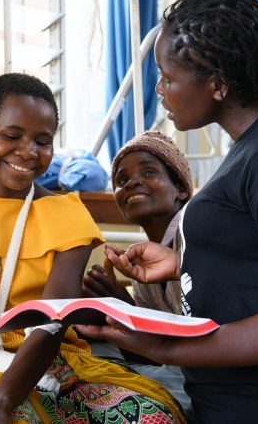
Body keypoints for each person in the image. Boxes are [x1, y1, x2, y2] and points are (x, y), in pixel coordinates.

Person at [76, 0, 258, 423]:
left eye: (168, 77)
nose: (159, 89)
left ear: (217, 83)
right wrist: (183, 262)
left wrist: (169, 346)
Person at [0, 73, 185, 424]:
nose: (28, 152)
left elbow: (50, 324)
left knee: (154, 418)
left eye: (43, 141)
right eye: (12, 135)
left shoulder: (67, 215)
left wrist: (3, 400)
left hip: (54, 361)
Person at [82, 130, 194, 420]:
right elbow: (147, 352)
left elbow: (192, 347)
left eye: (149, 172)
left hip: (209, 369)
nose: (131, 182)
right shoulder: (142, 259)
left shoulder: (195, 230)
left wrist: (124, 306)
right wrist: (104, 309)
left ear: (181, 189)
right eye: (120, 180)